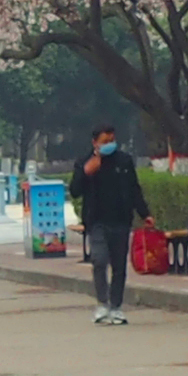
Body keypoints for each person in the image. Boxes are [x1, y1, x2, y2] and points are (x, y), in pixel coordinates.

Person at [69, 122, 145, 324]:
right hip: (97, 221)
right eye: (105, 141)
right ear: (95, 142)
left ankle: (117, 306)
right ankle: (102, 303)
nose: (110, 144)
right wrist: (86, 172)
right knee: (99, 260)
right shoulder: (84, 162)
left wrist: (145, 213)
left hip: (121, 219)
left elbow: (134, 189)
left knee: (119, 266)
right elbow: (74, 191)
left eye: (112, 140)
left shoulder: (124, 161)